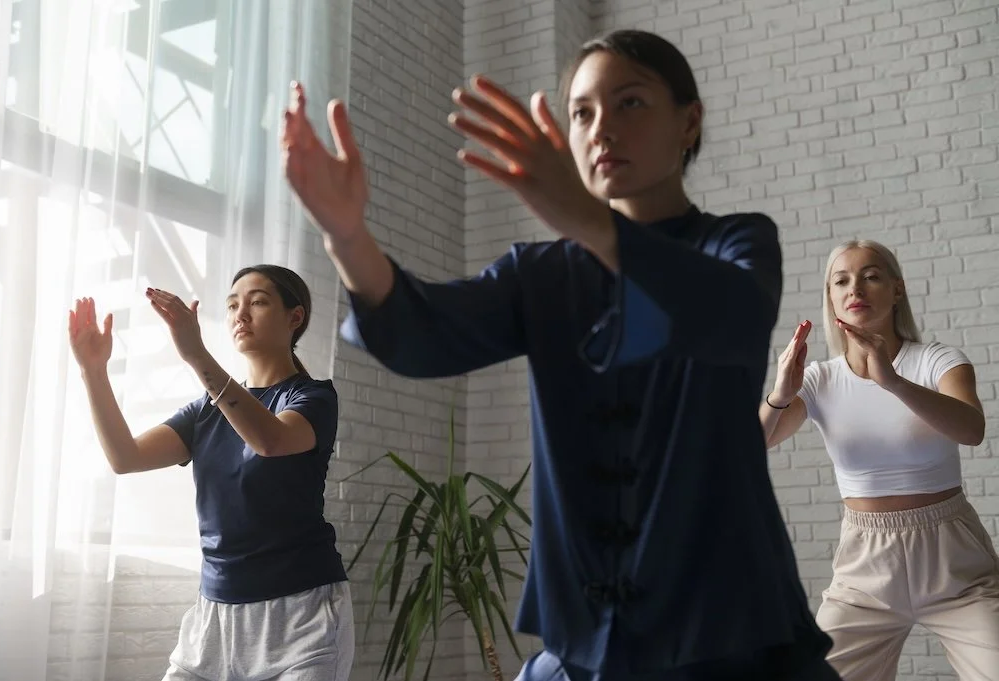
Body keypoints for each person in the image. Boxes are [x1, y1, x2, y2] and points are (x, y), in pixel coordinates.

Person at [282, 28, 839, 681]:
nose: (601, 129)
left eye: (628, 103)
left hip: (728, 631)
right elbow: (419, 332)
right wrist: (347, 235)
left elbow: (729, 315)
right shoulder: (539, 272)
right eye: (581, 112)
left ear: (689, 122)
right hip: (587, 641)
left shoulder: (737, 242)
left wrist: (585, 218)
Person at [67, 265, 354, 681]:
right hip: (215, 615)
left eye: (257, 301)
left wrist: (197, 354)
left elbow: (269, 441)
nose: (241, 314)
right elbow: (124, 457)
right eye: (233, 304)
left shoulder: (313, 397)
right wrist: (93, 371)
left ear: (295, 317)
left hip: (300, 614)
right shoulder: (206, 409)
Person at [759, 239, 999, 681]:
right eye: (842, 281)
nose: (856, 289)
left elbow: (972, 430)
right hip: (866, 567)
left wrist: (891, 381)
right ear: (831, 297)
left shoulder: (938, 360)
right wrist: (780, 394)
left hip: (953, 560)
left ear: (897, 289)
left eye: (871, 276)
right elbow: (752, 448)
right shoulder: (818, 379)